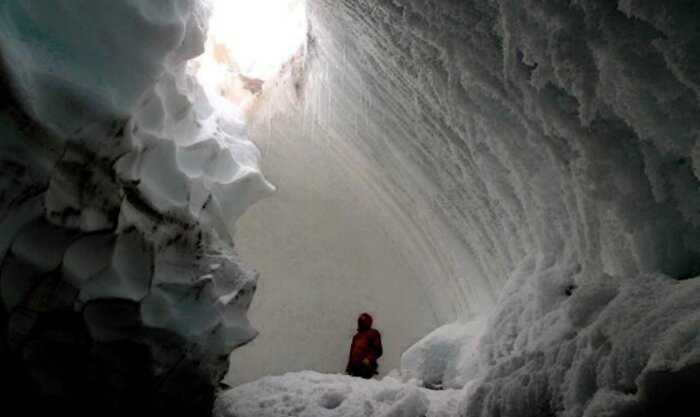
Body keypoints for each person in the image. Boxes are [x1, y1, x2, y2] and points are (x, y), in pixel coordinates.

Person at [345, 313, 383, 379]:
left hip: (366, 366)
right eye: (361, 320)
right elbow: (352, 353)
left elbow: (377, 350)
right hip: (355, 368)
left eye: (364, 320)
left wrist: (368, 359)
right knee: (355, 386)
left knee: (363, 386)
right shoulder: (356, 337)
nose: (362, 322)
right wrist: (349, 367)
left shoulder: (373, 333)